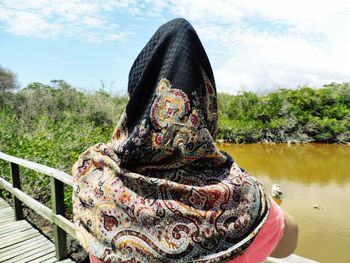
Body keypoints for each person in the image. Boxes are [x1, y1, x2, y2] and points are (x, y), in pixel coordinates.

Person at [72, 18, 298, 263]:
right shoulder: (242, 197)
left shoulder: (96, 175)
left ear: (136, 100)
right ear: (205, 103)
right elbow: (288, 242)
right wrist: (264, 200)